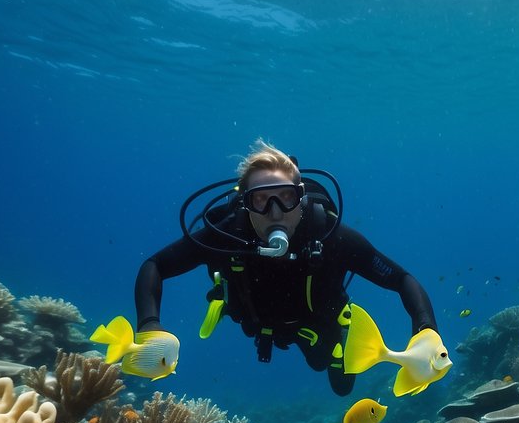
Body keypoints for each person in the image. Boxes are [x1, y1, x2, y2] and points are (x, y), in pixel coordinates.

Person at [132, 140, 439, 396]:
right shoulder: (228, 233)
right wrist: (149, 324)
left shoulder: (330, 235)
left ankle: (339, 347)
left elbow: (401, 279)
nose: (274, 212)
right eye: (261, 200)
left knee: (338, 382)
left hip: (317, 323)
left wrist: (426, 332)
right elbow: (155, 265)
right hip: (256, 321)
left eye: (286, 198)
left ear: (301, 197)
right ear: (244, 204)